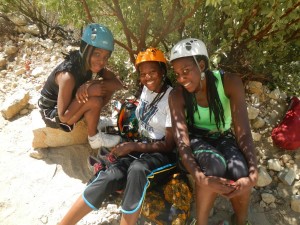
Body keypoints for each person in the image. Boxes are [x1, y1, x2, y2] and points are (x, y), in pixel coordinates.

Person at [59, 47, 177, 225]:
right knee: (109, 176)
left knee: (138, 170)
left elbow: (169, 144)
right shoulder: (146, 89)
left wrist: (133, 146)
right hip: (141, 147)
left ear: (162, 70)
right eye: (143, 74)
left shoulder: (172, 97)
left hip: (163, 155)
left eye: (152, 71)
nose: (147, 77)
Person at [168, 38, 258, 225]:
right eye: (177, 74)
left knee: (240, 171)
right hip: (196, 138)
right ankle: (200, 222)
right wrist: (199, 177)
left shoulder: (229, 82)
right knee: (214, 166)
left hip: (223, 137)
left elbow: (243, 132)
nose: (181, 79)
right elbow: (182, 141)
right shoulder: (177, 95)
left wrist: (253, 172)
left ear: (201, 65)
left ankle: (241, 221)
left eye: (186, 71)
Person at [38, 23, 122, 149]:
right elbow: (63, 117)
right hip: (52, 112)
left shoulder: (89, 62)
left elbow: (117, 84)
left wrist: (92, 83)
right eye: (97, 54)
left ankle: (94, 120)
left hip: (68, 106)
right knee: (95, 99)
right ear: (85, 49)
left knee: (101, 89)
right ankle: (94, 138)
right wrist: (89, 92)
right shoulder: (68, 76)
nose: (101, 61)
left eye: (105, 57)